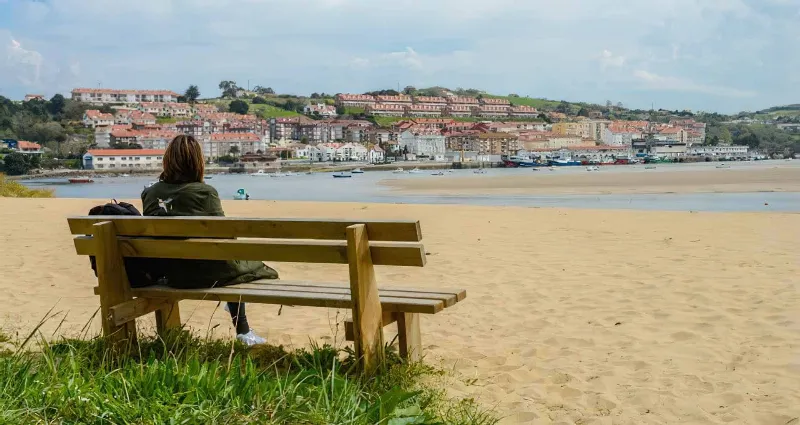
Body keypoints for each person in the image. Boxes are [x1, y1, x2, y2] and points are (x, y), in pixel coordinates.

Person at [141, 135, 278, 345]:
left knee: (230, 262)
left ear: (167, 160)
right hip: (207, 274)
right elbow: (224, 236)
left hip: (171, 274)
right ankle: (242, 330)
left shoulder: (150, 194)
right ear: (198, 162)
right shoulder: (205, 193)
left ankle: (240, 323)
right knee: (245, 266)